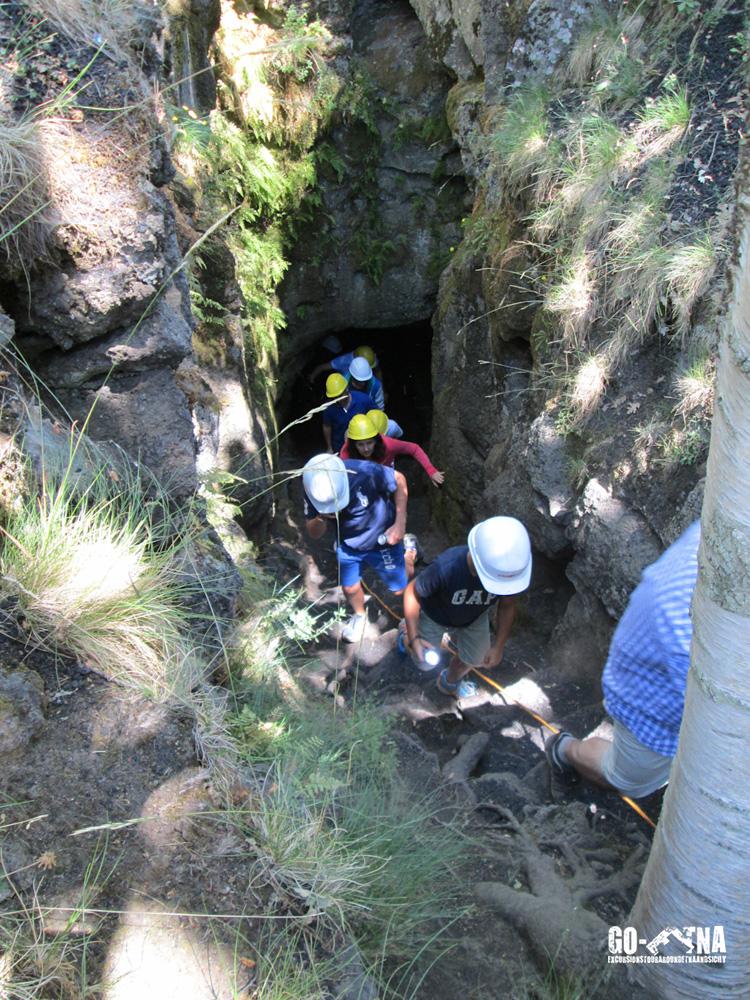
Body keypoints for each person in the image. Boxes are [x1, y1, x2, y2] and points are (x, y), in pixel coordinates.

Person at [545, 520, 700, 799]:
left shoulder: (730, 515)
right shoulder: (683, 634)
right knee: (626, 780)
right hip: (655, 698)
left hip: (658, 660)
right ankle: (564, 751)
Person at [401, 517, 532, 699]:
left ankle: (449, 681)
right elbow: (412, 592)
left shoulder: (506, 572)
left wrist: (499, 646)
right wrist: (414, 637)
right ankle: (405, 635)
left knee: (478, 659)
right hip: (435, 614)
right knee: (424, 660)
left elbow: (507, 605)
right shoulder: (447, 567)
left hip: (474, 617)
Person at [302, 453, 408, 643]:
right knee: (350, 587)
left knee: (399, 589)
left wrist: (400, 523)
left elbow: (399, 479)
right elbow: (314, 533)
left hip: (382, 540)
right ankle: (360, 616)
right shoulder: (314, 488)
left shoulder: (364, 471)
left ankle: (411, 550)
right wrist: (320, 516)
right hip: (348, 544)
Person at [339, 412, 445, 487]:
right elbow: (341, 477)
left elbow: (414, 449)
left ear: (376, 440)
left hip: (384, 477)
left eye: (370, 443)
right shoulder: (347, 451)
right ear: (353, 445)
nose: (366, 449)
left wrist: (431, 470)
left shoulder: (388, 444)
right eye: (360, 445)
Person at [321, 373, 371, 453]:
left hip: (362, 446)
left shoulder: (363, 399)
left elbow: (375, 415)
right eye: (335, 396)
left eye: (340, 395)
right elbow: (327, 426)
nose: (338, 399)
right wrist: (329, 447)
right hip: (340, 447)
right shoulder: (328, 408)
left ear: (347, 388)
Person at [308, 344, 380, 385]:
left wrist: (382, 388)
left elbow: (377, 370)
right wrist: (312, 377)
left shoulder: (370, 358)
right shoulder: (343, 361)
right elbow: (322, 367)